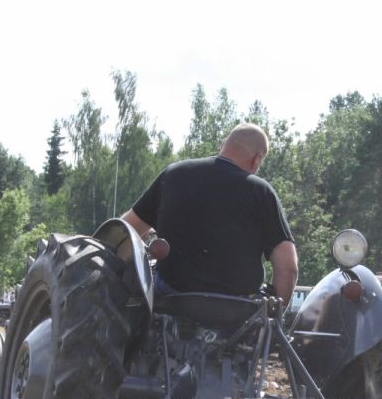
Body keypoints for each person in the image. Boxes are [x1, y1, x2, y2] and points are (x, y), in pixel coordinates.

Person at [120, 123, 298, 306]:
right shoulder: (261, 192)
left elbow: (123, 232)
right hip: (236, 319)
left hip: (167, 311)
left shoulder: (174, 174)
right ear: (257, 159)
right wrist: (273, 318)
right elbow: (288, 269)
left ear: (223, 145)